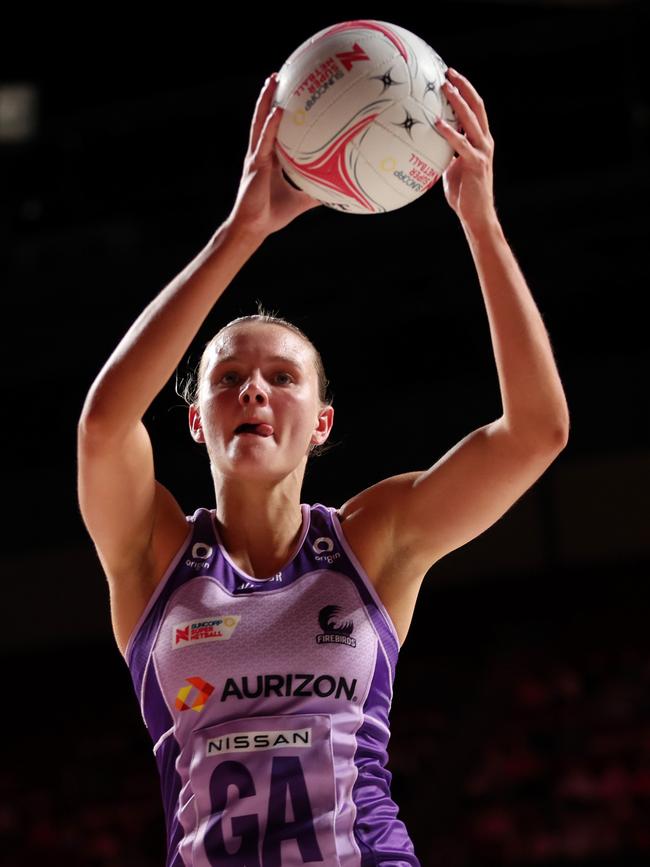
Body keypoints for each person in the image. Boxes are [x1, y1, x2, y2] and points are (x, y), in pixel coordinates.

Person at [77, 68, 569, 866]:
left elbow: (537, 431)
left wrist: (481, 224)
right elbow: (104, 424)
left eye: (282, 378)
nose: (255, 393)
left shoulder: (373, 541)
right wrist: (241, 232)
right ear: (197, 422)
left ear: (321, 424)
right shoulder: (152, 553)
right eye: (229, 380)